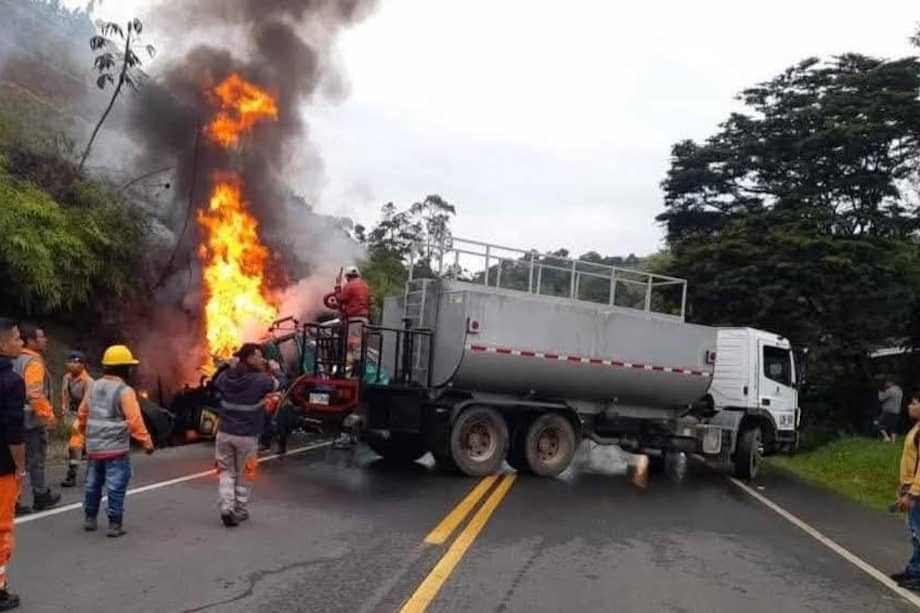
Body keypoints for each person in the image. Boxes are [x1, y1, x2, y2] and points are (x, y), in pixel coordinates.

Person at [77, 345, 154, 537]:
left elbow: (82, 413)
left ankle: (90, 518)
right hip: (116, 449)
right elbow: (135, 421)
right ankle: (114, 524)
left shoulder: (93, 386)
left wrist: (84, 434)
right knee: (116, 486)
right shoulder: (124, 391)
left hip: (94, 448)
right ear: (123, 368)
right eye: (129, 367)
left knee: (92, 484)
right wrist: (146, 442)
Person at [212, 344, 283, 527]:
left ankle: (226, 507)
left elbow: (215, 381)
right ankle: (240, 510)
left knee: (225, 472)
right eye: (259, 356)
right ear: (250, 358)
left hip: (224, 433)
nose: (262, 359)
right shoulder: (261, 380)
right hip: (247, 436)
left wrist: (226, 365)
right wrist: (275, 369)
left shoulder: (226, 376)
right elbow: (281, 383)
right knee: (245, 474)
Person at [12, 325, 59, 515]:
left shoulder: (13, 358)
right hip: (31, 420)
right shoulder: (33, 362)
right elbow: (34, 393)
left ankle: (12, 499)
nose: (45, 340)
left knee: (15, 461)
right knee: (36, 459)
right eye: (41, 337)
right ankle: (40, 495)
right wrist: (49, 415)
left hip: (13, 418)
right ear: (31, 341)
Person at [0, 319, 27, 610]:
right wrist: (20, 466)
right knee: (1, 529)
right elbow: (13, 430)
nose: (22, 343)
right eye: (17, 338)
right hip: (2, 468)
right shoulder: (11, 381)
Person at [891, 393, 920, 590]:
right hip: (910, 487)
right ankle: (914, 569)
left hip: (917, 490)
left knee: (918, 532)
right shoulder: (916, 429)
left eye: (914, 403)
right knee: (915, 532)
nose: (909, 406)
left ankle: (917, 573)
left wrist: (912, 494)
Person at [60, 351, 93, 488]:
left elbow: (87, 402)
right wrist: (65, 411)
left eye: (76, 362)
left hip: (86, 415)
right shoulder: (66, 378)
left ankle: (72, 474)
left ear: (82, 365)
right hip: (72, 414)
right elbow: (64, 395)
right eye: (70, 361)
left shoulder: (88, 381)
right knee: (77, 446)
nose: (72, 364)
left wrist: (80, 419)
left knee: (76, 444)